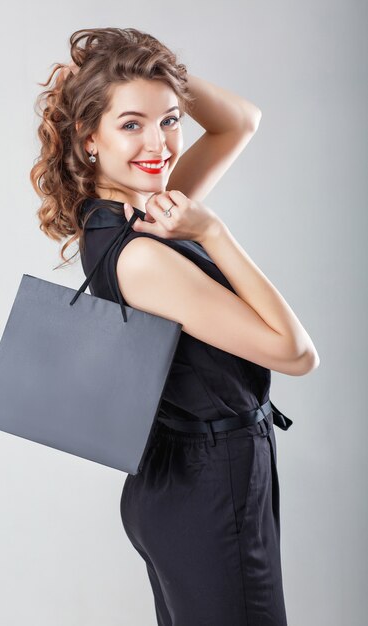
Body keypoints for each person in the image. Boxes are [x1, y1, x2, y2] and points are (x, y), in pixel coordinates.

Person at [30, 27, 320, 626]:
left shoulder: (124, 216)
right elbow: (296, 354)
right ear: (89, 138)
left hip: (180, 479)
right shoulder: (144, 254)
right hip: (211, 485)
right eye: (130, 124)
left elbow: (241, 121)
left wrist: (149, 73)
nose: (158, 143)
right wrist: (212, 232)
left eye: (169, 120)